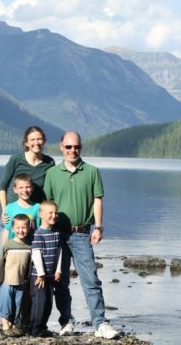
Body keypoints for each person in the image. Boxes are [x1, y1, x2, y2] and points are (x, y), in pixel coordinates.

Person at [0, 126, 55, 333]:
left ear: (43, 141)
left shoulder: (49, 163)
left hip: (33, 225)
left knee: (26, 274)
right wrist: (4, 212)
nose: (36, 142)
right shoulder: (16, 160)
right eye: (32, 139)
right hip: (11, 223)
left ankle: (21, 320)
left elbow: (48, 196)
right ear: (26, 142)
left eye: (39, 139)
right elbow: (2, 186)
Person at [43, 131, 119, 340]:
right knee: (60, 281)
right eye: (68, 147)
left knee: (91, 280)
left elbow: (97, 201)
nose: (72, 151)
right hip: (58, 235)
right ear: (61, 147)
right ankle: (66, 321)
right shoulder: (52, 173)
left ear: (81, 148)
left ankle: (100, 323)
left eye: (76, 147)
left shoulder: (92, 171)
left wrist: (99, 227)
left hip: (83, 234)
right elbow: (48, 205)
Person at [29, 201, 63, 337]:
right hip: (38, 276)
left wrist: (58, 270)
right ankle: (34, 329)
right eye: (50, 213)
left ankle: (43, 327)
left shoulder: (56, 233)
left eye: (56, 213)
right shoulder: (38, 234)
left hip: (50, 275)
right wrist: (41, 274)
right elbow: (36, 254)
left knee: (49, 303)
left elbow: (59, 251)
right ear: (41, 214)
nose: (54, 215)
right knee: (39, 303)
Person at [0, 214, 32, 337]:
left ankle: (14, 325)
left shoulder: (29, 246)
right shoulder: (8, 245)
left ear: (29, 228)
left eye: (24, 228)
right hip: (7, 281)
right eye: (18, 227)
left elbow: (29, 266)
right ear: (12, 229)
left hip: (21, 282)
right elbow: (1, 262)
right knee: (5, 304)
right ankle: (5, 326)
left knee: (18, 305)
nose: (21, 230)